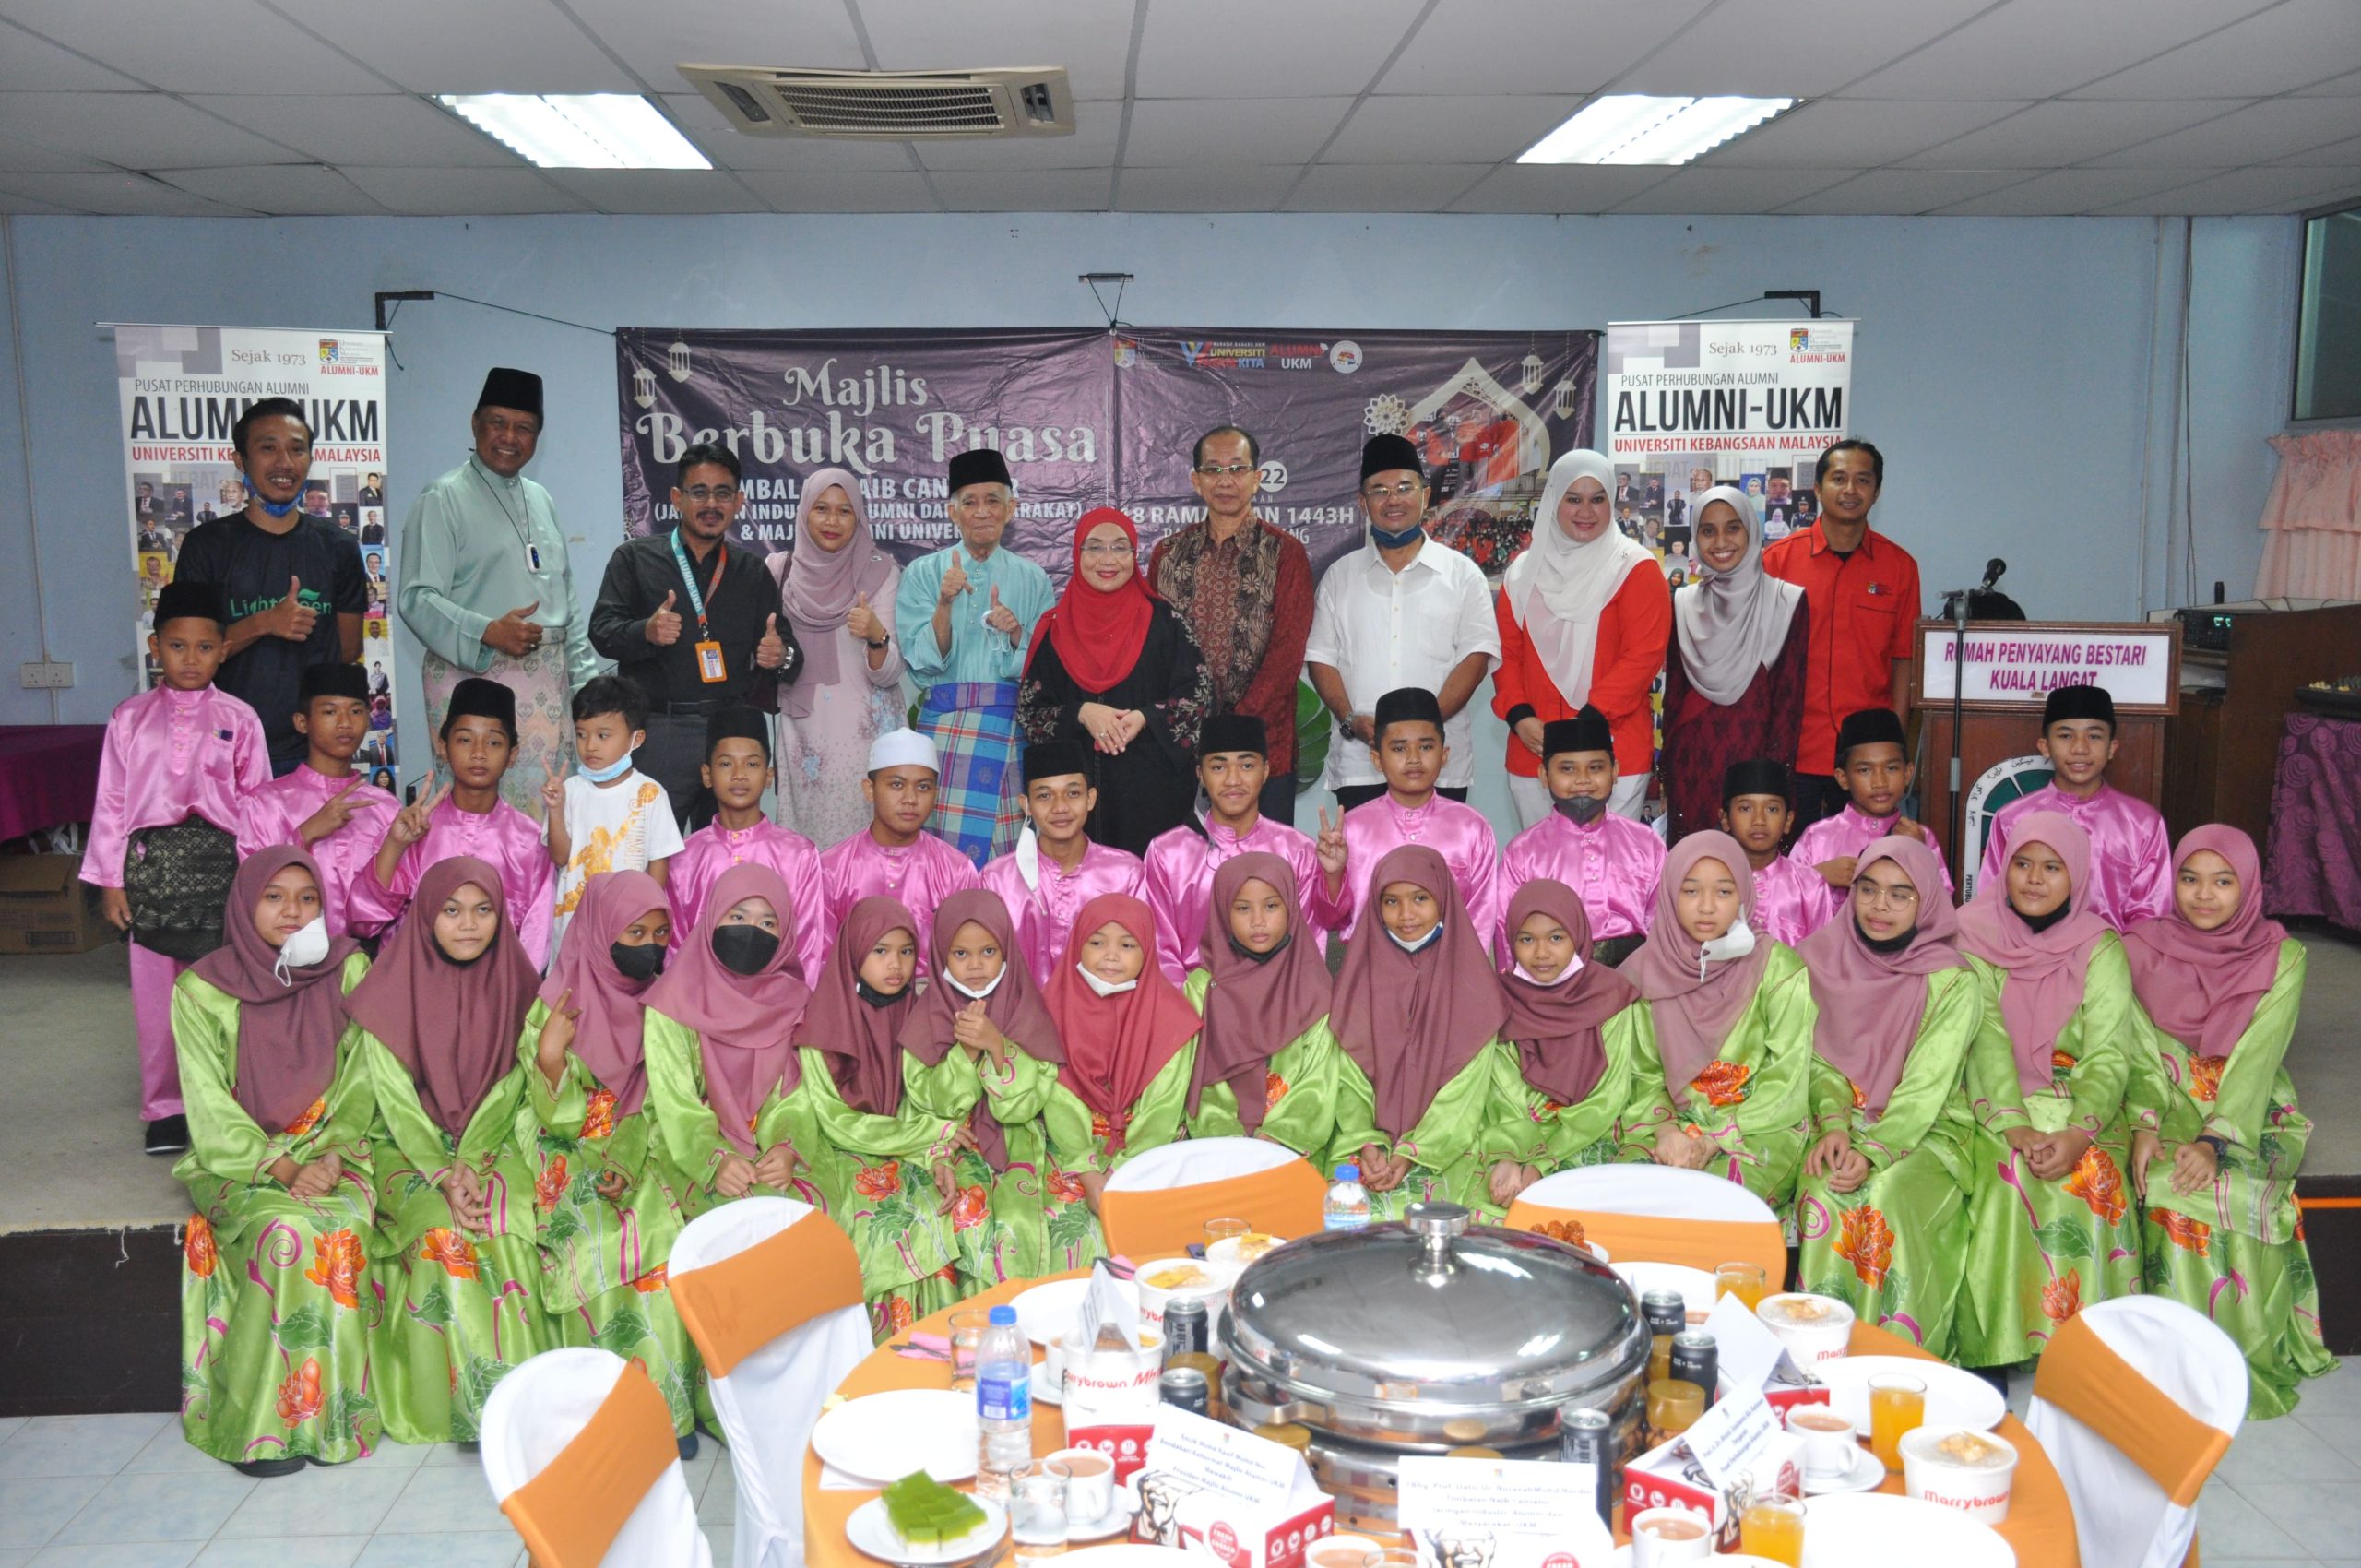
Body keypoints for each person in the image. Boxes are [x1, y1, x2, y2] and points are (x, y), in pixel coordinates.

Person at [172, 848, 377, 1474]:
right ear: (244, 903)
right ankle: (265, 1425)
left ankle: (331, 1420)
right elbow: (209, 1108)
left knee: (342, 1226)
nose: (293, 911)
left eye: (307, 898)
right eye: (274, 896)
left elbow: (363, 1077)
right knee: (283, 1230)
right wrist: (281, 1168)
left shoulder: (348, 968)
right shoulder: (201, 990)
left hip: (334, 1149)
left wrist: (335, 1153)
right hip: (239, 1160)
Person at [2125, 827, 2336, 1417]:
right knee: (2159, 1179)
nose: (2204, 895)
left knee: (2222, 1184)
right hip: (2161, 1094)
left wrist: (2215, 1139)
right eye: (2190, 879)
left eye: (2223, 881)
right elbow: (2135, 1046)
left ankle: (2223, 1366)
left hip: (2248, 1110)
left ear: (2248, 887)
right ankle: (2164, 1371)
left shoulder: (2282, 956)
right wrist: (2145, 1123)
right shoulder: (2138, 947)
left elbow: (2259, 1059)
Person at [350, 857, 550, 1443]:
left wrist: (470, 1158)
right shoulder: (388, 989)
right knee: (442, 1233)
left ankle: (523, 1400)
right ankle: (464, 1408)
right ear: (425, 917)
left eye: (483, 910)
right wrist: (441, 1172)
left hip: (491, 1139)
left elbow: (513, 1086)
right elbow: (391, 1099)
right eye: (452, 910)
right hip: (406, 1146)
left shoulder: (521, 986)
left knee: (507, 1221)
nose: (468, 924)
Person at [83, 580, 272, 1153]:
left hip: (223, 869)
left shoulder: (240, 718)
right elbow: (111, 802)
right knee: (156, 997)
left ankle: (227, 1099)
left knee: (223, 988)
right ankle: (166, 1107)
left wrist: (259, 883)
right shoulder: (129, 718)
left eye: (205, 647)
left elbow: (257, 803)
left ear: (224, 651)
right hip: (150, 872)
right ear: (155, 647)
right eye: (177, 646)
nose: (191, 659)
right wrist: (111, 881)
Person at [519, 870, 701, 1449]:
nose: (649, 946)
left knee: (662, 1231)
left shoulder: (670, 1001)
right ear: (599, 932)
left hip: (644, 1141)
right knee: (593, 1233)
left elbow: (670, 1099)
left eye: (659, 933)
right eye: (634, 932)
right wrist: (551, 1060)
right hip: (566, 1142)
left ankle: (665, 1408)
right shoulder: (556, 1003)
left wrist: (625, 1150)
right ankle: (600, 1412)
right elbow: (546, 1114)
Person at [1953, 813, 2140, 1371]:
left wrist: (2081, 1132)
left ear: (2076, 874)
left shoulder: (2100, 946)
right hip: (1988, 1098)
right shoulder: (1972, 933)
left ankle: (2084, 1349)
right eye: (2023, 864)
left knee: (2093, 1173)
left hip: (2081, 1103)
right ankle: (1997, 1346)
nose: (2034, 879)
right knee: (2008, 1173)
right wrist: (2013, 1122)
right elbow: (1983, 1037)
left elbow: (2109, 1052)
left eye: (2053, 867)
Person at [1794, 837, 1982, 1357]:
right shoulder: (1815, 961)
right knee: (1824, 1187)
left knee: (1885, 1192)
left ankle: (1897, 1358)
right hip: (1834, 1119)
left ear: (1926, 902)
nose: (1880, 906)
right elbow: (1815, 1061)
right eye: (1868, 890)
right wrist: (1836, 1125)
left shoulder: (1952, 981)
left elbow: (1927, 1086)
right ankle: (1821, 1354)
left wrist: (1875, 1150)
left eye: (1901, 895)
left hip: (1925, 1129)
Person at [398, 367, 601, 820]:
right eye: (498, 423)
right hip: (475, 680)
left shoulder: (541, 499)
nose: (509, 437)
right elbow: (416, 596)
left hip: (549, 684)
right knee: (478, 818)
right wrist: (487, 631)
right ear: (475, 424)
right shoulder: (442, 498)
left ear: (538, 437)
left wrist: (589, 689)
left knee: (550, 817)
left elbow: (566, 602)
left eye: (524, 427)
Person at [589, 442, 799, 829]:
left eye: (723, 494)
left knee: (726, 854)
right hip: (658, 732)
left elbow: (789, 653)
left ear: (738, 502)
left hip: (729, 736)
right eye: (699, 492)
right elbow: (601, 631)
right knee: (647, 849)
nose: (711, 504)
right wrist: (645, 631)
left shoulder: (752, 572)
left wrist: (779, 654)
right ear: (676, 498)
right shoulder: (634, 559)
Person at [899, 889, 1101, 1287]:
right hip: (950, 1141)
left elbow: (1031, 1100)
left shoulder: (1026, 1005)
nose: (975, 965)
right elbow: (928, 1100)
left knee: (1064, 1217)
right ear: (940, 955)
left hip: (1022, 1138)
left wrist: (996, 1045)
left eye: (988, 952)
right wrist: (965, 1053)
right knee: (955, 1220)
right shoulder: (928, 1014)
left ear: (1007, 949)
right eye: (960, 954)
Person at [793, 897, 964, 1337]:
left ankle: (925, 1347)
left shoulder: (918, 1014)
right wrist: (930, 1134)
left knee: (934, 1208)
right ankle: (869, 1350)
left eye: (906, 951)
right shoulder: (821, 1023)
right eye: (881, 951)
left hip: (906, 1147)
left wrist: (937, 1154)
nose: (896, 965)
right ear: (854, 953)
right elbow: (835, 1120)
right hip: (840, 1151)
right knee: (874, 1220)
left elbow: (921, 1101)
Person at [1327, 846, 1526, 1222]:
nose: (1406, 915)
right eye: (1391, 901)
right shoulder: (1358, 979)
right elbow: (1348, 1077)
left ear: (1443, 900)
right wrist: (1366, 1142)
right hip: (1368, 1146)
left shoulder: (1472, 983)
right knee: (1344, 1216)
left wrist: (1413, 1151)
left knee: (1458, 1220)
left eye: (1420, 898)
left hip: (1448, 1144)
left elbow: (1467, 1091)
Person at [1619, 832, 1816, 1211]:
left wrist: (1716, 1139)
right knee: (1632, 1199)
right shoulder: (1645, 972)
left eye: (1724, 892)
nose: (1707, 907)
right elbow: (1643, 1075)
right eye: (1691, 891)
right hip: (1668, 1125)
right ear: (1670, 894)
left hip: (1758, 1126)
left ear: (1743, 895)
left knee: (1716, 1204)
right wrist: (1666, 1131)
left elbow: (1786, 1076)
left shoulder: (1778, 969)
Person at [170, 398, 366, 776]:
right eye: (268, 448)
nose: (284, 463)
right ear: (241, 460)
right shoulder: (206, 545)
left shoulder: (338, 546)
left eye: (297, 449)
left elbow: (348, 649)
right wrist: (264, 623)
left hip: (314, 755)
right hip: (227, 748)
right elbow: (188, 657)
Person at [1306, 434, 1501, 811]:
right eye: (1379, 491)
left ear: (1425, 496)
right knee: (1362, 853)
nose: (1393, 500)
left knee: (1440, 852)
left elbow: (1475, 659)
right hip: (1360, 763)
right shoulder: (1340, 577)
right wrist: (1351, 721)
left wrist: (1423, 730)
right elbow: (1321, 659)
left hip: (1439, 764)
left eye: (1404, 488)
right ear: (1362, 503)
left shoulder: (1462, 575)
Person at [1018, 506, 1213, 856]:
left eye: (1120, 547)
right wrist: (1081, 713)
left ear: (1134, 555)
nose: (1108, 559)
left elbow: (1198, 698)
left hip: (1154, 796)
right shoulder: (1054, 628)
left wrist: (1145, 717)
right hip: (1074, 808)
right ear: (1077, 553)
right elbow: (1031, 714)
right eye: (1094, 547)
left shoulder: (1166, 622)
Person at [1146, 425, 1316, 825]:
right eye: (1213, 470)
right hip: (1182, 752)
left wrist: (1233, 731)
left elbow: (1287, 654)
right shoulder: (1167, 556)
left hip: (1262, 750)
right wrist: (1190, 726)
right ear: (1196, 481)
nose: (1226, 481)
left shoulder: (1285, 554)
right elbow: (1153, 651)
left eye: (1237, 469)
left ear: (1257, 478)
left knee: (1263, 862)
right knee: (1185, 860)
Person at [1492, 450, 1670, 826]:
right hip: (1535, 750)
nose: (1586, 512)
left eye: (1598, 499)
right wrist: (1519, 716)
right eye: (1573, 499)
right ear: (1554, 500)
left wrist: (1589, 722)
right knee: (1541, 860)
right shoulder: (1522, 574)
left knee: (1608, 861)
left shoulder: (1635, 568)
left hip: (1613, 750)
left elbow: (1643, 657)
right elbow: (1506, 654)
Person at [894, 448, 1055, 865]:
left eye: (993, 501)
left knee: (1009, 853)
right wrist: (944, 603)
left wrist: (1016, 632)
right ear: (953, 512)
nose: (982, 512)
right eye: (970, 502)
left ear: (1011, 509)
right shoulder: (923, 573)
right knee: (942, 855)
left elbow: (1046, 665)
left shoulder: (1033, 578)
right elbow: (921, 662)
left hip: (1008, 729)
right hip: (943, 732)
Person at [642, 864, 817, 1219]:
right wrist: (715, 1159)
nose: (751, 931)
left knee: (806, 1215)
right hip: (688, 1144)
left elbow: (792, 1093)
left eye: (768, 923)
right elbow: (674, 1101)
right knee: (736, 1221)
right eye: (737, 916)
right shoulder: (673, 1001)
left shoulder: (791, 1001)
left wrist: (786, 1147)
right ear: (712, 918)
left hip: (769, 1145)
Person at [1762, 440, 1922, 825]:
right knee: (1791, 855)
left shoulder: (1900, 567)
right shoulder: (1777, 561)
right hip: (1793, 747)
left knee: (1866, 857)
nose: (1850, 490)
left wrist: (1894, 743)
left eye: (1863, 480)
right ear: (1818, 489)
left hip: (1867, 756)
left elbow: (1904, 661)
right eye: (1839, 479)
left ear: (1877, 492)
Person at [356, 677, 556, 968]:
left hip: (498, 991)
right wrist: (394, 846)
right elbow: (364, 921)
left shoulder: (531, 841)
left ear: (512, 755)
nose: (478, 753)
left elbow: (535, 946)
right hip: (414, 985)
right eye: (464, 739)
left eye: (493, 742)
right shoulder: (415, 831)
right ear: (442, 746)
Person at [1143, 714, 1347, 983]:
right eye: (1218, 767)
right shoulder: (1167, 853)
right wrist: (1185, 1006)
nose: (1233, 780)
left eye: (1247, 766)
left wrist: (1333, 876)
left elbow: (1312, 937)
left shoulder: (1296, 850)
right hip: (1194, 999)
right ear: (1200, 774)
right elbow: (1161, 948)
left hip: (1277, 996)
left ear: (1265, 771)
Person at [1660, 486, 1809, 841]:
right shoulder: (1682, 602)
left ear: (1751, 530)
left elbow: (1788, 707)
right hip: (1692, 769)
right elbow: (1674, 700)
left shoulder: (1786, 601)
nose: (1720, 542)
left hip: (1755, 770)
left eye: (1733, 528)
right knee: (1694, 869)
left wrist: (1773, 784)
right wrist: (1669, 774)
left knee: (1754, 870)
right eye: (1707, 531)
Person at [772, 467, 905, 848]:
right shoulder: (778, 572)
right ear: (804, 513)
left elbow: (890, 673)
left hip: (867, 736)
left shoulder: (881, 572)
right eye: (821, 509)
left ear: (858, 516)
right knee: (808, 847)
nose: (832, 521)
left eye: (845, 511)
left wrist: (876, 636)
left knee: (870, 850)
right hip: (805, 735)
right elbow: (766, 658)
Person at [1181, 854, 1345, 1157]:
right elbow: (1194, 1078)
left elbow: (1319, 1079)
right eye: (1243, 908)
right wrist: (1229, 1137)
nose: (1258, 920)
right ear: (1222, 911)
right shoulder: (1202, 989)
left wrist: (1277, 1136)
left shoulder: (1311, 986)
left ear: (1291, 908)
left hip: (1290, 1143)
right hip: (1220, 1145)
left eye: (1271, 906)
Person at [1492, 880, 1644, 1205]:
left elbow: (1609, 1094)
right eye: (1527, 939)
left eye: (1556, 938)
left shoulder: (1609, 995)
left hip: (1590, 1131)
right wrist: (1510, 1156)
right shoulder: (1500, 1000)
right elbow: (1503, 1096)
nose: (1541, 953)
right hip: (1514, 1132)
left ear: (1577, 935)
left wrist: (1544, 1162)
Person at [1975, 684, 2171, 929]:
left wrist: (2111, 951)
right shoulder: (2012, 819)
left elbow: (2150, 918)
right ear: (2045, 746)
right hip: (2026, 949)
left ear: (2111, 748)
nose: (2080, 749)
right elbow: (1992, 903)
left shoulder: (2143, 824)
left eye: (2094, 736)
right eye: (2066, 736)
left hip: (2115, 950)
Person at [1039, 893, 1204, 1172]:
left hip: (1149, 1150)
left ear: (1147, 950)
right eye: (1097, 943)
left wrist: (1126, 1170)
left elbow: (1163, 1106)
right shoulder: (1052, 1010)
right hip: (1069, 1147)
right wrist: (1086, 1168)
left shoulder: (1172, 1017)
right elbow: (1058, 1098)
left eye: (1127, 945)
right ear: (1077, 943)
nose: (1111, 955)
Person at [237, 662, 401, 941]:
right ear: (302, 722)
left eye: (356, 711)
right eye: (329, 711)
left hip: (368, 961)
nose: (345, 722)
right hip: (285, 959)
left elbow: (397, 912)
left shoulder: (386, 808)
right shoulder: (264, 804)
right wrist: (304, 834)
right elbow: (251, 893)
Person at [667, 707, 829, 981]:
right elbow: (676, 947)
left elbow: (809, 947)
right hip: (701, 997)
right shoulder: (684, 858)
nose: (739, 774)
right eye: (726, 764)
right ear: (707, 775)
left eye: (752, 764)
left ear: (769, 776)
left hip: (777, 999)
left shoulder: (799, 855)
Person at [1329, 687, 1502, 941]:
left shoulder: (1472, 829)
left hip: (1451, 962)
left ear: (1444, 755)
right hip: (1370, 961)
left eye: (1426, 747)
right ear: (1377, 759)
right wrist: (1332, 876)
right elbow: (1333, 919)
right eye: (1399, 749)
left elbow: (1481, 918)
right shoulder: (1352, 829)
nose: (1413, 759)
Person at [1499, 709, 1664, 965]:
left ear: (1615, 772)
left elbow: (1663, 923)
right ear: (1544, 775)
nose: (1583, 780)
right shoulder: (1522, 852)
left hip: (1634, 976)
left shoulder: (1646, 843)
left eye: (1595, 768)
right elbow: (1505, 930)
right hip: (1554, 976)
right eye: (1567, 769)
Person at [979, 740, 1147, 988]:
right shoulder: (996, 878)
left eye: (1073, 793)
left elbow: (1143, 956)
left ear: (1091, 798)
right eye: (1044, 796)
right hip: (1019, 1010)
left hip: (1105, 1009)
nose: (1060, 807)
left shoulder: (1126, 873)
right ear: (1026, 805)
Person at [544, 675, 683, 952]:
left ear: (636, 738)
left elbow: (658, 864)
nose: (590, 746)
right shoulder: (569, 790)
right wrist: (556, 809)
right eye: (581, 734)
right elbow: (559, 858)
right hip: (574, 923)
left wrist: (645, 916)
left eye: (603, 735)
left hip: (629, 925)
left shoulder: (650, 793)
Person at [1788, 707, 1952, 937]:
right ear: (1843, 778)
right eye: (1865, 770)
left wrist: (1918, 855)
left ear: (1908, 773)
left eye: (1891, 768)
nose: (1880, 782)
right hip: (1830, 955)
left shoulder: (1919, 836)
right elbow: (1782, 904)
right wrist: (1818, 875)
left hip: (1899, 955)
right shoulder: (1818, 837)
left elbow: (1943, 907)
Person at [820, 728, 980, 955]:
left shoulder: (957, 871)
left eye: (923, 787)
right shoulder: (831, 869)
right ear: (870, 789)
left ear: (935, 794)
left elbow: (968, 954)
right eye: (897, 785)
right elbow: (820, 957)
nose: (910, 799)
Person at [1721, 760, 1820, 948]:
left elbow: (1824, 954)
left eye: (1772, 809)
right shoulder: (1710, 883)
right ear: (1725, 819)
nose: (1759, 820)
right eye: (1745, 808)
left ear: (1788, 820)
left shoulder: (1811, 885)